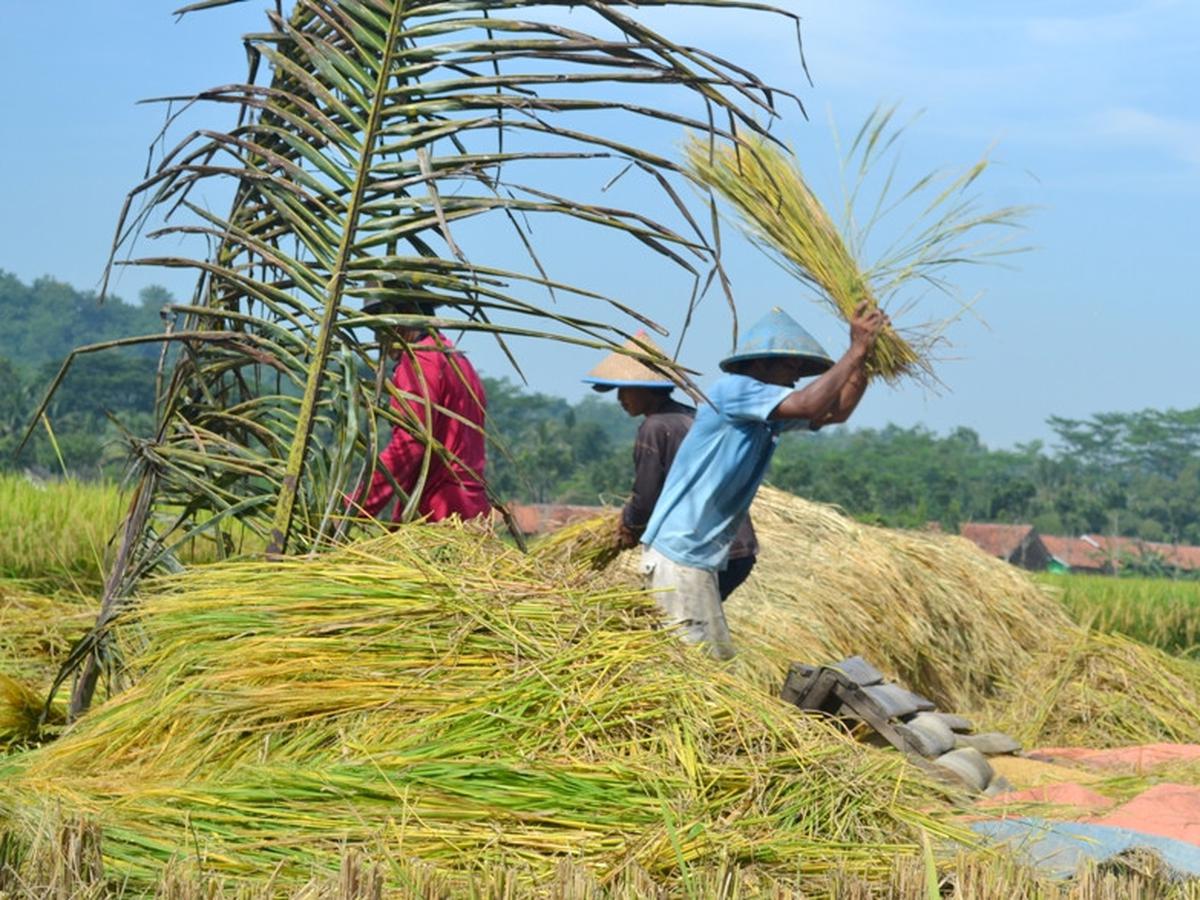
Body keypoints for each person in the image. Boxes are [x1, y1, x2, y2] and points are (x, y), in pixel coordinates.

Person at [640, 302, 887, 659]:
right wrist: (855, 349)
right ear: (758, 364)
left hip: (696, 558)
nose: (796, 376)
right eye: (790, 365)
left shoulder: (764, 415)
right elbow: (807, 404)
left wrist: (865, 360)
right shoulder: (733, 391)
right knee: (698, 673)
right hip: (680, 557)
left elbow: (833, 412)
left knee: (711, 667)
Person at [582, 332, 758, 601]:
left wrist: (629, 525)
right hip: (736, 547)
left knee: (674, 628)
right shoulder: (691, 417)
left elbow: (646, 496)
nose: (620, 398)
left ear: (646, 388)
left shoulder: (655, 427)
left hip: (702, 550)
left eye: (625, 389)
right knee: (691, 623)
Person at [354, 283, 490, 522]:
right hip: (472, 513)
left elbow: (410, 444)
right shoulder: (456, 359)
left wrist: (355, 507)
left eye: (379, 326)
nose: (377, 338)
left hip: (440, 512)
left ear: (403, 315)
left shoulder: (419, 362)